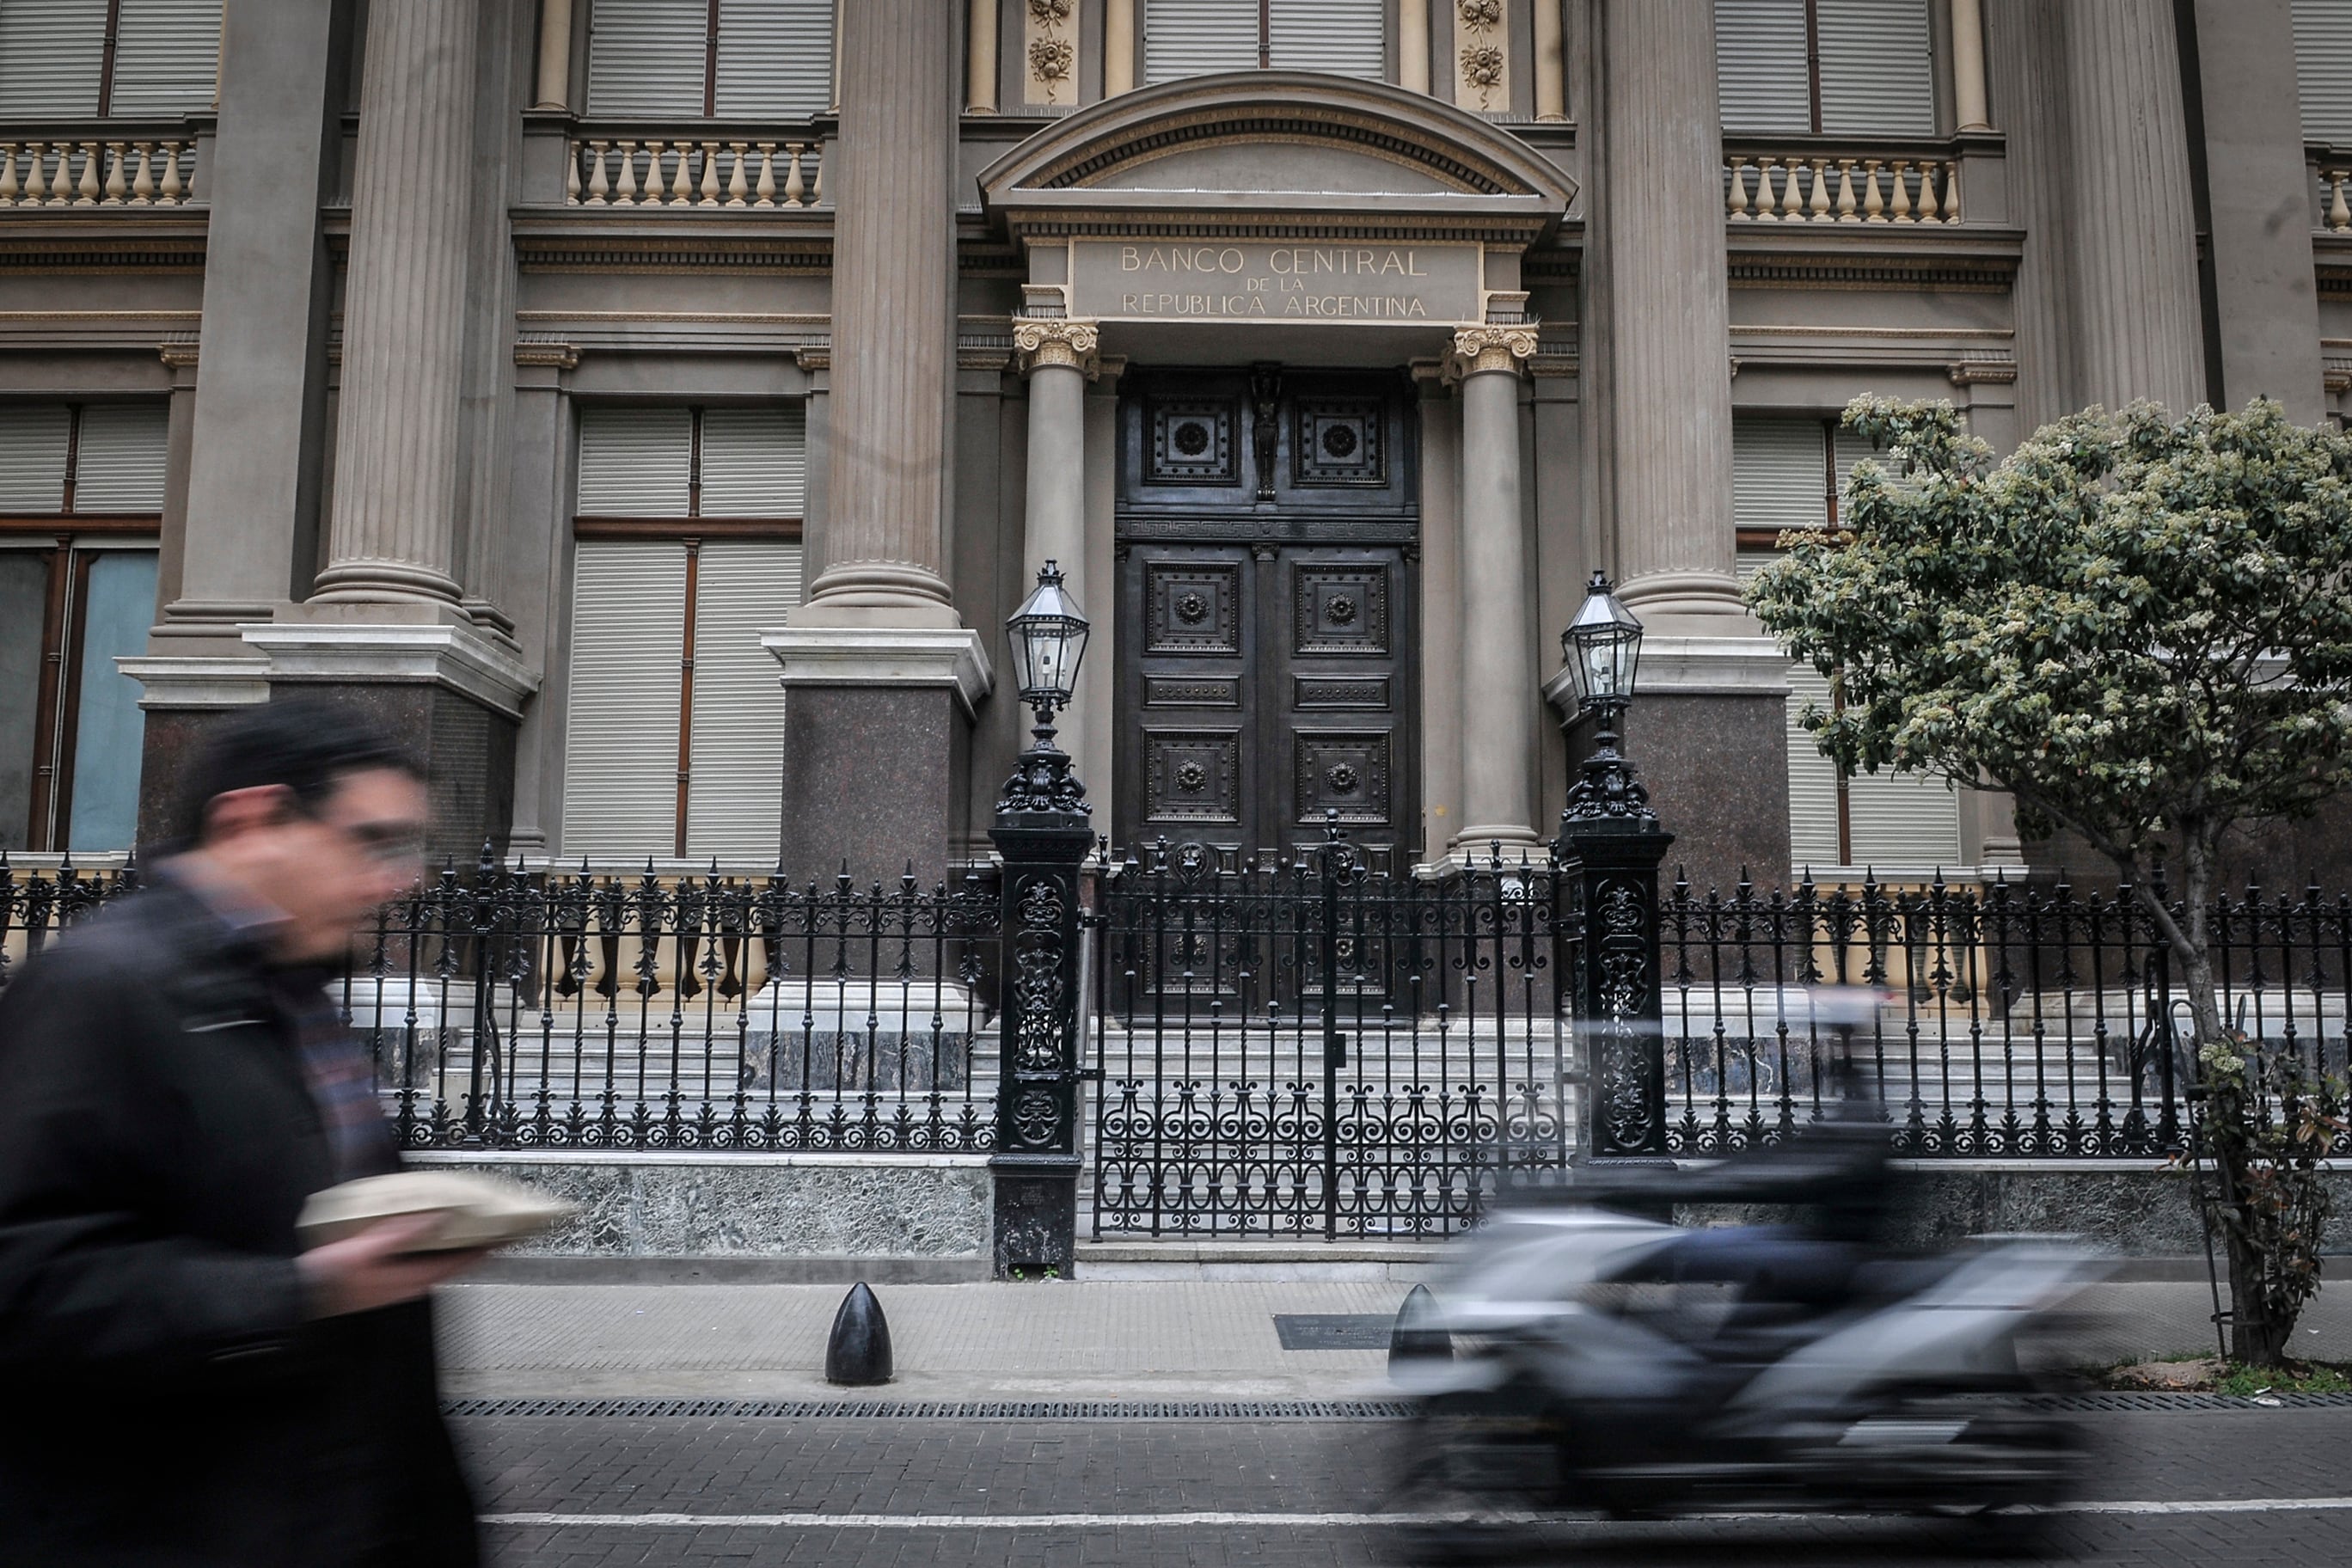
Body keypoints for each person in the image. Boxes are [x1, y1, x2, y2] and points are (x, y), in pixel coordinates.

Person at [0, 700, 482, 1567]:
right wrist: (303, 1292)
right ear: (252, 821)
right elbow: (24, 1280)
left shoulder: (290, 991)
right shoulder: (101, 989)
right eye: (370, 840)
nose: (400, 879)